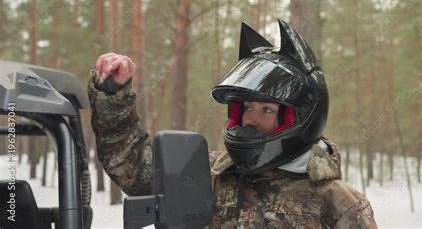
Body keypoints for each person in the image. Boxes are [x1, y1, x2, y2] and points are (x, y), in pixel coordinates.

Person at [88, 19, 377, 228]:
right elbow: (133, 165)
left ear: (300, 116)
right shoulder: (206, 176)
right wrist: (113, 94)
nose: (250, 119)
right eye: (246, 108)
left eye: (266, 109)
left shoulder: (339, 204)